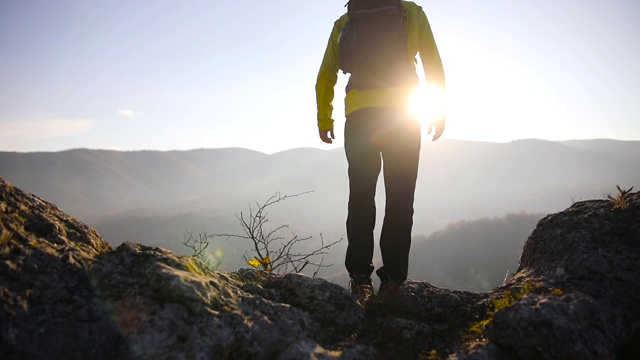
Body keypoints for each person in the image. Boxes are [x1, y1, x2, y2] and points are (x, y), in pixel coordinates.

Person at [315, 0, 446, 303]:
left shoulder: (346, 20)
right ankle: (393, 281)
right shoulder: (411, 12)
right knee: (400, 198)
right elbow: (433, 63)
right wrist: (438, 110)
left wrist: (325, 117)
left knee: (361, 197)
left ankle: (360, 280)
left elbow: (326, 75)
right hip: (402, 115)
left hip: (360, 118)